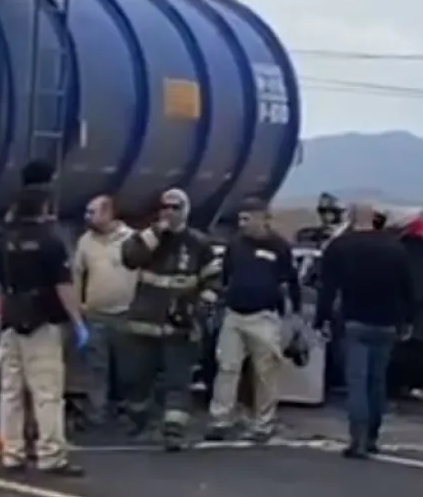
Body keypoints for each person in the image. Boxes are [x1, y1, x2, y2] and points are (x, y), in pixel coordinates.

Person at [0, 182, 89, 476]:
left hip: (11, 319)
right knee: (47, 392)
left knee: (10, 391)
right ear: (44, 208)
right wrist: (78, 322)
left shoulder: (6, 239)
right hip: (41, 320)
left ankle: (12, 453)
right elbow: (63, 286)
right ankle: (51, 455)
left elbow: (0, 283)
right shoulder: (51, 242)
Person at [119, 188, 219, 451]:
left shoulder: (199, 244)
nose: (169, 212)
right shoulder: (147, 239)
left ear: (185, 210)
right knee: (136, 378)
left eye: (175, 208)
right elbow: (129, 258)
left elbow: (214, 281)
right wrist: (155, 233)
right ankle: (138, 420)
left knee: (177, 380)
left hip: (180, 327)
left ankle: (173, 430)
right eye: (165, 207)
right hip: (144, 325)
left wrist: (199, 308)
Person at [314, 202, 414, 459]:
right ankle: (372, 435)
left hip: (355, 321)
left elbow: (327, 288)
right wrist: (408, 321)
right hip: (387, 323)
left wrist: (321, 320)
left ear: (351, 218)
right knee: (377, 381)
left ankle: (357, 437)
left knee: (357, 381)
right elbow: (407, 289)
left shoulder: (340, 247)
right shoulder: (395, 248)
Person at [207, 197, 302, 442]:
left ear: (263, 217)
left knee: (265, 372)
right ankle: (220, 419)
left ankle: (263, 423)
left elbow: (290, 280)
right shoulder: (235, 244)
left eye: (247, 218)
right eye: (240, 219)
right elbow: (226, 276)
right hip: (235, 315)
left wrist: (295, 315)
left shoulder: (279, 246)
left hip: (264, 316)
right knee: (227, 368)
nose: (242, 224)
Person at [70, 195, 137, 426]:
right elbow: (76, 276)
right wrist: (78, 308)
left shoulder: (131, 239)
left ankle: (128, 411)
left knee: (127, 368)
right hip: (95, 314)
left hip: (126, 314)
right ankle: (96, 413)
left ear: (108, 213)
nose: (87, 217)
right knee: (96, 367)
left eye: (92, 212)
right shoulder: (85, 242)